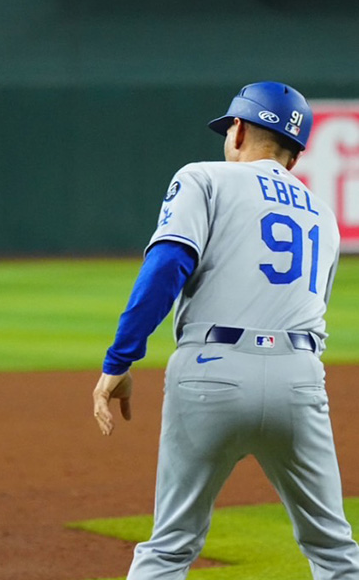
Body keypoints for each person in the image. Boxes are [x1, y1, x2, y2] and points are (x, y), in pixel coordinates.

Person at [92, 81, 359, 579]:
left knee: (171, 546)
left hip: (212, 372)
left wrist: (119, 361)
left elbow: (167, 266)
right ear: (295, 157)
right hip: (299, 379)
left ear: (237, 129)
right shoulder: (324, 217)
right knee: (335, 550)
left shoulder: (205, 177)